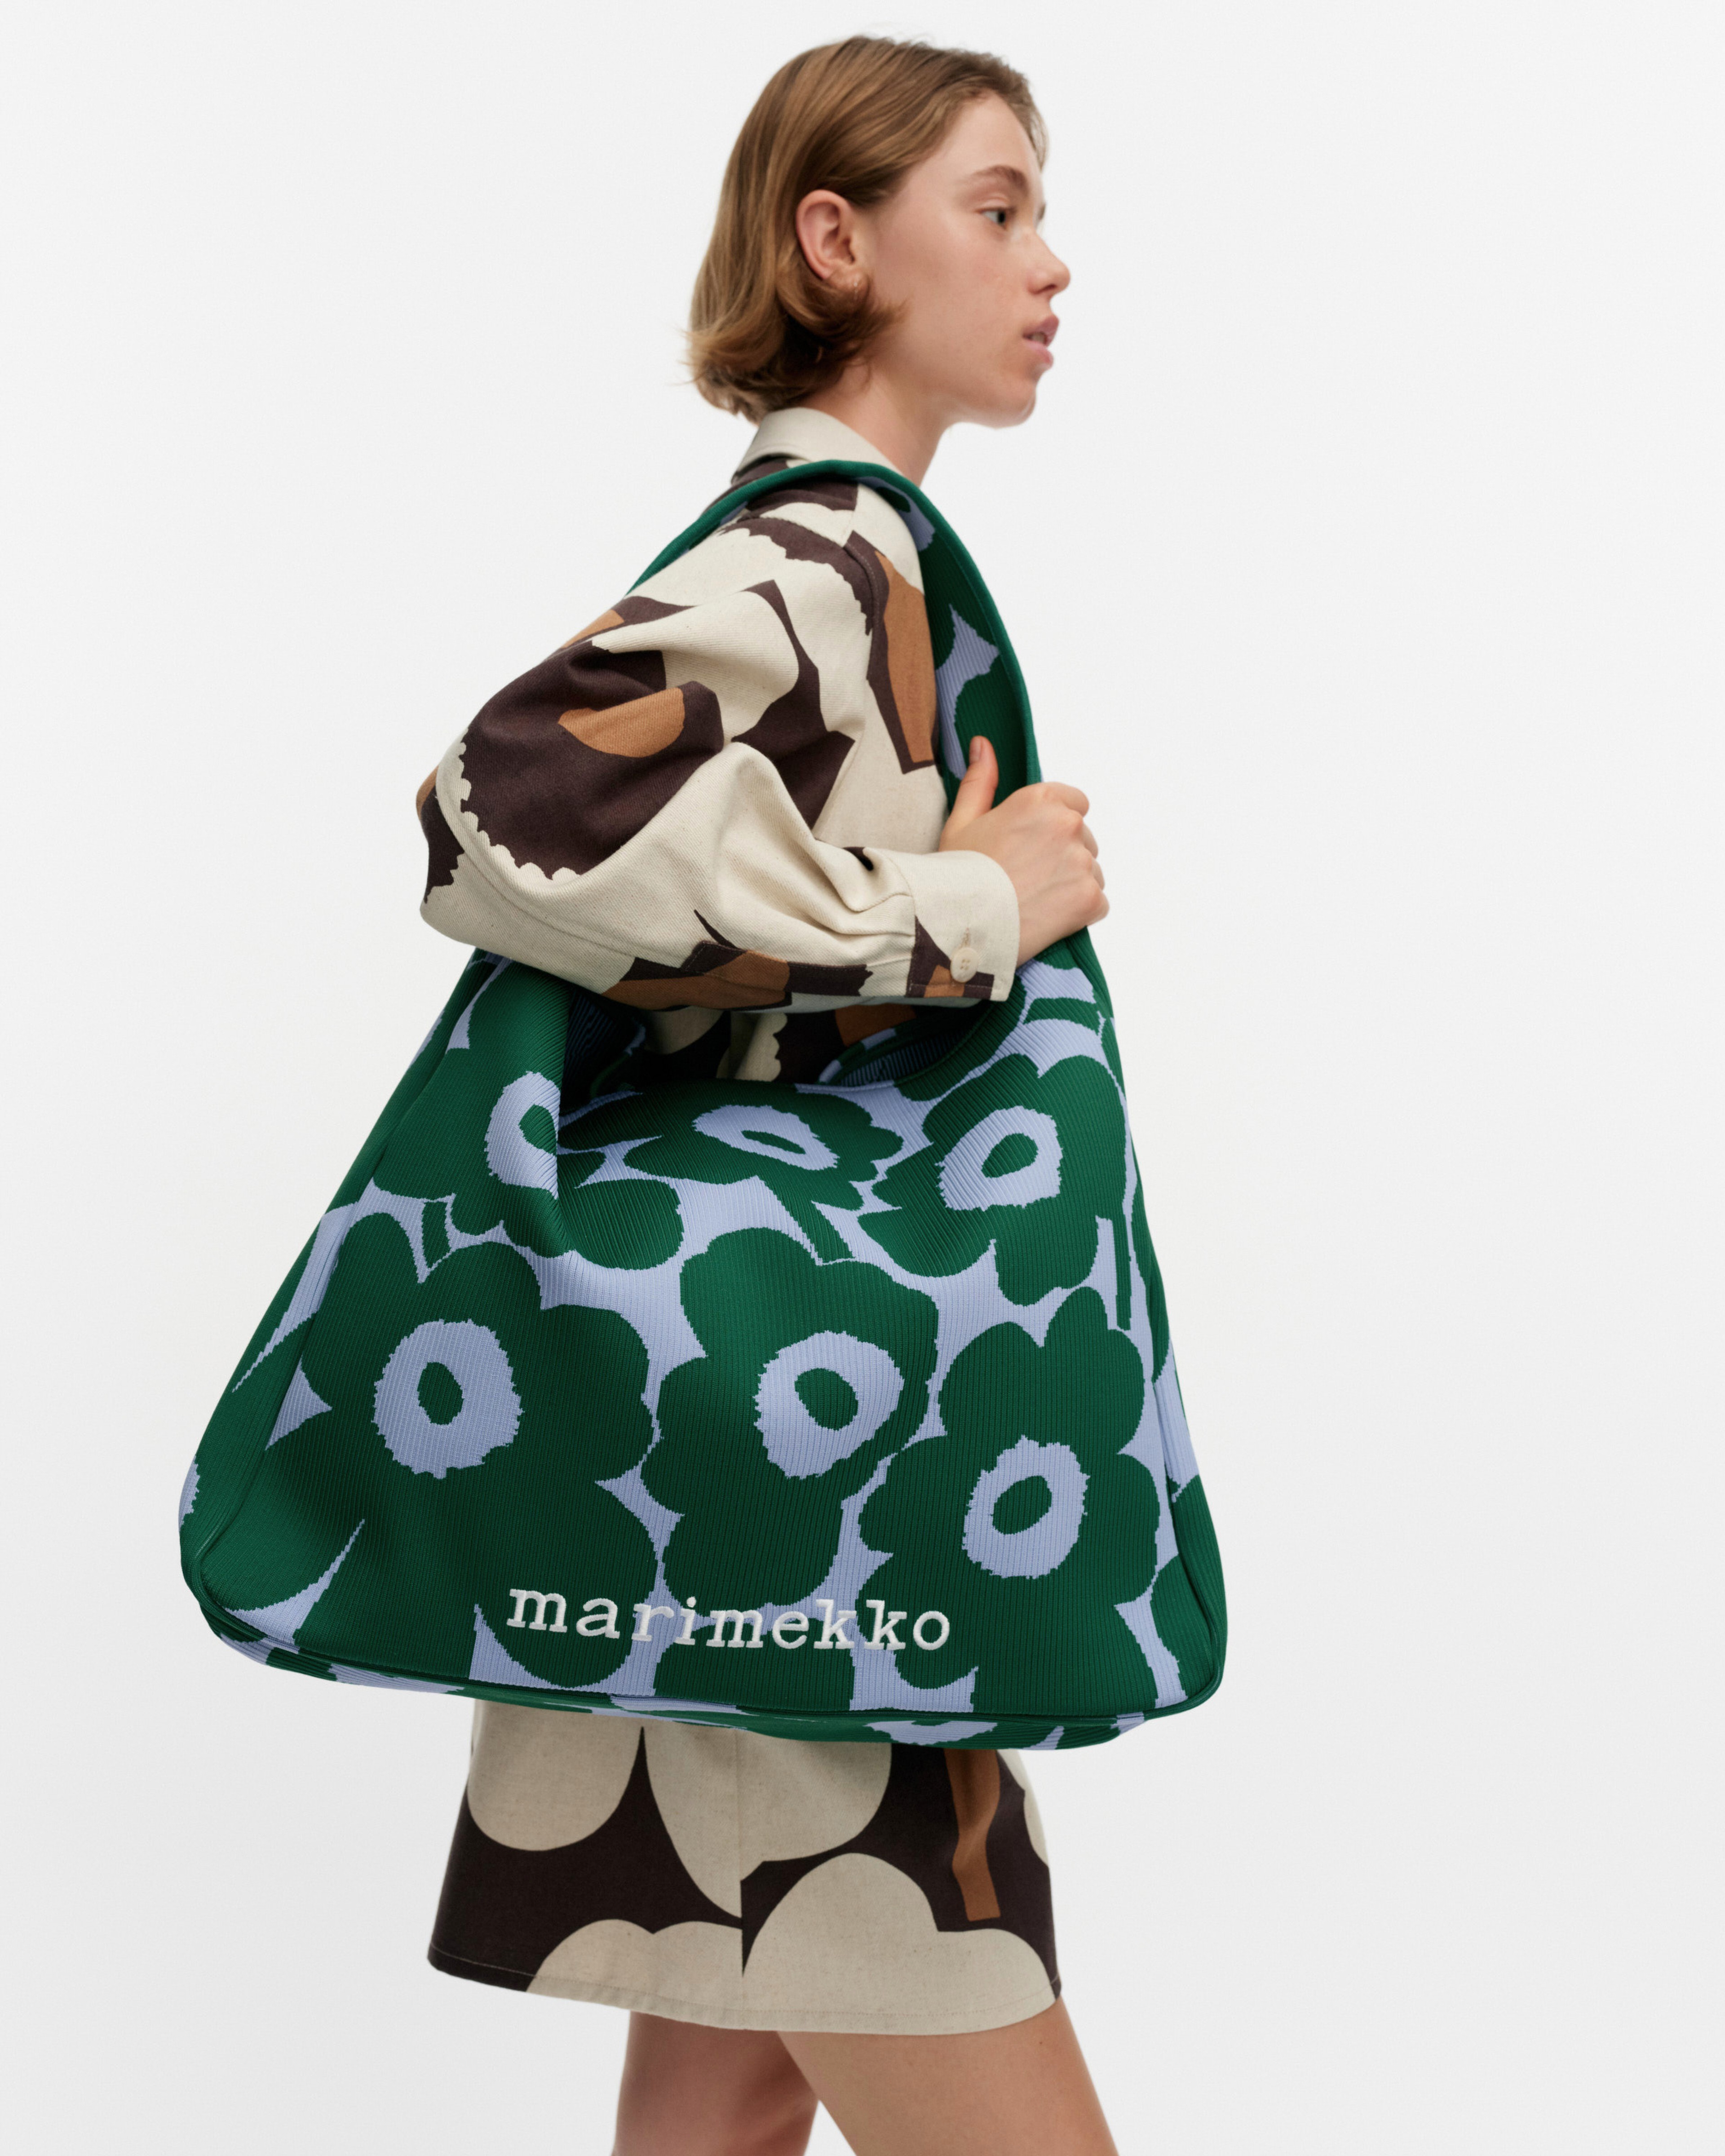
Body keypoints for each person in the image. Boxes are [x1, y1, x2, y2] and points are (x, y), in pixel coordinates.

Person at [416, 36, 1116, 2156]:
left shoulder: (857, 560)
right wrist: (966, 910)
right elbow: (499, 810)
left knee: (714, 2114)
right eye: (996, 210)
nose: (1051, 264)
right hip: (787, 1515)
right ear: (838, 240)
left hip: (762, 1490)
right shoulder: (825, 555)